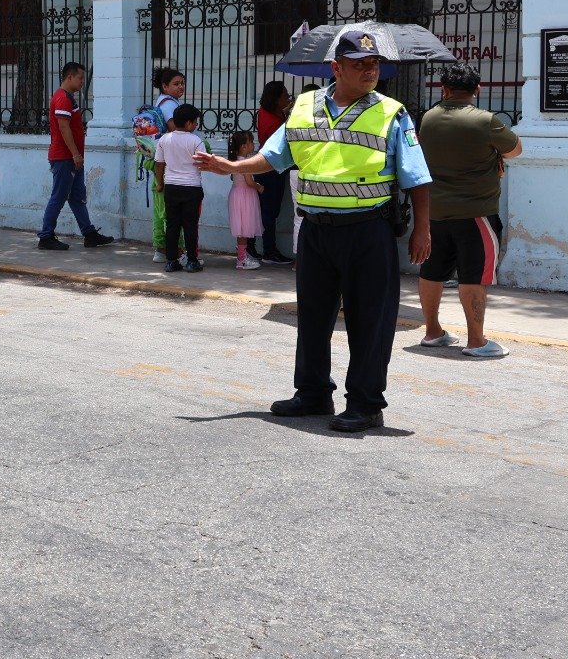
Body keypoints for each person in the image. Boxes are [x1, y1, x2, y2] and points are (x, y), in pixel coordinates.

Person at [195, 28, 432, 433]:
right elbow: (274, 156)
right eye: (360, 64)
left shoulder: (393, 112)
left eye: (374, 64)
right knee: (314, 316)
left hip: (368, 230)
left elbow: (417, 178)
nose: (370, 70)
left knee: (369, 320)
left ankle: (365, 404)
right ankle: (312, 393)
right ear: (336, 68)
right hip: (317, 230)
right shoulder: (304, 107)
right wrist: (232, 167)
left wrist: (422, 229)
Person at [416, 63, 524, 357]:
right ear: (477, 89)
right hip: (476, 212)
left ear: (444, 89)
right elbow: (515, 150)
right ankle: (476, 341)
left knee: (432, 271)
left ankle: (432, 331)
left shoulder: (428, 118)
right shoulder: (486, 121)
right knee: (473, 276)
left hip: (435, 210)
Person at [37, 61, 114, 251]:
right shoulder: (63, 98)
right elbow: (64, 128)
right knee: (59, 196)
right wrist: (75, 154)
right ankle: (46, 236)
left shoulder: (67, 97)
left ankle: (89, 234)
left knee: (77, 197)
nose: (82, 82)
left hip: (71, 158)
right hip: (65, 158)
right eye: (80, 78)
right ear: (69, 77)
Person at [154, 103, 206, 273]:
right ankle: (191, 261)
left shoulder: (164, 139)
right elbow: (201, 165)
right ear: (189, 123)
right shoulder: (196, 141)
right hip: (191, 187)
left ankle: (171, 261)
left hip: (171, 187)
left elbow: (159, 164)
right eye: (195, 122)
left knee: (172, 225)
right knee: (190, 226)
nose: (196, 125)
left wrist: (160, 183)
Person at [253, 81, 295, 264]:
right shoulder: (274, 120)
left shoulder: (264, 113)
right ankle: (269, 251)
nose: (288, 98)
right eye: (285, 96)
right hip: (271, 168)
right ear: (277, 99)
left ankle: (261, 249)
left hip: (269, 167)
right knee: (269, 212)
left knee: (267, 211)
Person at [149, 68, 187, 262]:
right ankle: (178, 251)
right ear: (164, 86)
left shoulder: (160, 102)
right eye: (176, 83)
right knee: (174, 209)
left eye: (182, 83)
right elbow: (176, 130)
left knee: (160, 208)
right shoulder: (170, 105)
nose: (181, 86)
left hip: (157, 161)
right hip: (169, 164)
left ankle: (160, 249)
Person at [226, 129, 263, 270]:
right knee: (244, 229)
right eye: (251, 142)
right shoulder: (245, 163)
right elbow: (249, 181)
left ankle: (242, 255)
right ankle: (241, 260)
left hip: (237, 194)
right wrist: (258, 186)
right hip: (245, 196)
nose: (253, 144)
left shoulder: (235, 160)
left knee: (241, 228)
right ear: (244, 146)